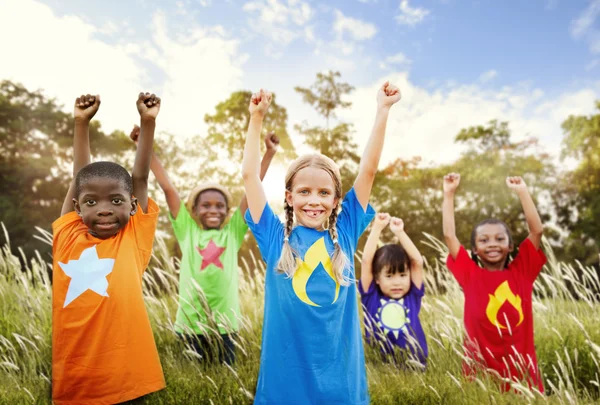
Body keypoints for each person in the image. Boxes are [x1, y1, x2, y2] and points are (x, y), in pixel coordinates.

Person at [242, 83, 401, 404]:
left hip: (340, 382)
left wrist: (383, 110)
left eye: (324, 193)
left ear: (336, 199)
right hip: (285, 384)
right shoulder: (274, 236)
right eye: (304, 192)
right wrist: (256, 118)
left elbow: (368, 171)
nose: (314, 201)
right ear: (289, 197)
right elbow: (249, 177)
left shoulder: (345, 231)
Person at [130, 125, 279, 364]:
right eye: (206, 205)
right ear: (195, 211)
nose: (213, 210)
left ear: (227, 211)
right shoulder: (187, 231)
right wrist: (143, 145)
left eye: (219, 206)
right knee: (194, 379)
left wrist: (269, 153)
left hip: (226, 326)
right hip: (191, 325)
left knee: (224, 381)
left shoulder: (233, 232)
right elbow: (168, 188)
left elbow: (252, 190)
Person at [52, 93, 165, 404]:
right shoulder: (68, 237)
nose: (103, 209)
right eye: (91, 202)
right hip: (77, 379)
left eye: (115, 201)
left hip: (127, 378)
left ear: (131, 206)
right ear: (77, 206)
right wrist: (80, 124)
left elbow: (139, 178)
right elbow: (79, 178)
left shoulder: (132, 237)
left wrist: (148, 122)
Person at [442, 173, 545, 392]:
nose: (492, 244)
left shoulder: (523, 272)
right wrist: (449, 194)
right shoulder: (470, 275)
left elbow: (537, 230)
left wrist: (522, 192)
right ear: (475, 250)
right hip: (480, 377)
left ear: (510, 246)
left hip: (522, 377)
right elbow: (449, 236)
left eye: (500, 239)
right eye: (484, 240)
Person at [359, 212, 427, 367]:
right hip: (380, 364)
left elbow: (417, 261)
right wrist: (376, 228)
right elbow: (366, 261)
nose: (397, 282)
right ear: (377, 278)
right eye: (389, 276)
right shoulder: (371, 295)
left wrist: (400, 232)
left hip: (414, 363)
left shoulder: (413, 295)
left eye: (403, 275)